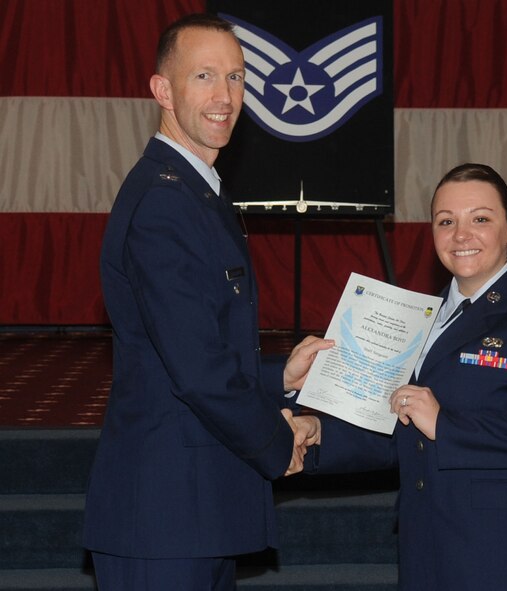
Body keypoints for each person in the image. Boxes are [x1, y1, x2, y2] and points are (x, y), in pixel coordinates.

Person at [82, 14, 331, 589]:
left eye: (237, 77)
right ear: (162, 90)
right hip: (165, 513)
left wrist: (279, 375)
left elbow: (194, 348)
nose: (225, 97)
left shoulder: (195, 191)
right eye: (204, 76)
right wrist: (277, 441)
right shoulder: (166, 204)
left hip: (192, 509)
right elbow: (198, 370)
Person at [292, 163, 507, 590]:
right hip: (428, 548)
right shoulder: (417, 318)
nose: (461, 235)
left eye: (480, 219)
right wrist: (318, 431)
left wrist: (446, 425)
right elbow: (398, 425)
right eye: (446, 221)